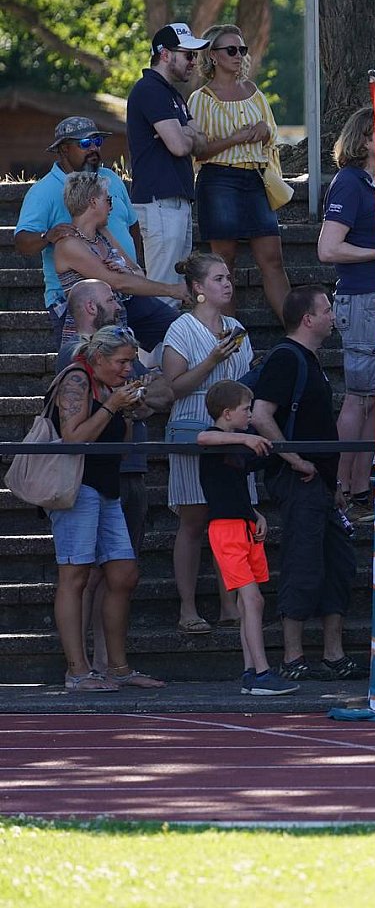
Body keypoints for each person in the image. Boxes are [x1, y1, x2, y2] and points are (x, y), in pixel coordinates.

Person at [56, 282, 173, 679]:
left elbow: (120, 447)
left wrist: (127, 410)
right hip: (78, 486)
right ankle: (78, 670)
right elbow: (74, 439)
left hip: (107, 484)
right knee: (76, 576)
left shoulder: (112, 385)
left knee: (124, 573)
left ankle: (118, 668)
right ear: (100, 357)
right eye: (122, 362)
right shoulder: (76, 378)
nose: (128, 369)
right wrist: (111, 405)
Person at [251, 286, 362, 682]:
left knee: (338, 563)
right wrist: (293, 457)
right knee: (302, 562)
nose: (333, 315)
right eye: (327, 309)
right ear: (307, 319)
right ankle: (293, 656)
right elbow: (261, 414)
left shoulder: (308, 359)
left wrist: (334, 483)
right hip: (300, 479)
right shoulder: (286, 357)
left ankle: (333, 654)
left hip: (320, 482)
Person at [158, 253, 253, 634]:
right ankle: (187, 607)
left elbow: (246, 381)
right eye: (218, 278)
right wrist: (212, 360)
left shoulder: (237, 327)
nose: (227, 284)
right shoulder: (181, 328)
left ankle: (230, 604)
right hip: (193, 425)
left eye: (228, 277)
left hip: (232, 432)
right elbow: (173, 387)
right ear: (198, 288)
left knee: (229, 517)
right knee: (194, 519)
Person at [196, 380, 298, 696]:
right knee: (252, 599)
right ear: (228, 413)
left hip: (242, 525)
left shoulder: (236, 448)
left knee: (251, 601)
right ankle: (262, 672)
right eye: (245, 410)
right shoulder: (216, 441)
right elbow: (202, 436)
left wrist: (255, 515)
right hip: (226, 530)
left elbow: (234, 490)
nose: (250, 415)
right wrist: (245, 437)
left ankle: (251, 670)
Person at [188, 22, 290, 322]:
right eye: (231, 50)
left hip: (256, 178)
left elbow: (272, 136)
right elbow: (199, 150)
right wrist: (236, 138)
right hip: (219, 179)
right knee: (224, 265)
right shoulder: (201, 99)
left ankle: (297, 333)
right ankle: (230, 339)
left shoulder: (254, 92)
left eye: (242, 50)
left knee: (273, 259)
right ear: (213, 56)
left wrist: (263, 131)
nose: (239, 56)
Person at [13, 117, 141, 348]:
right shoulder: (44, 191)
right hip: (77, 301)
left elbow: (133, 225)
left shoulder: (111, 178)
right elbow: (22, 241)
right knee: (86, 364)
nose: (94, 149)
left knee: (169, 328)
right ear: (63, 149)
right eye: (85, 144)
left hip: (127, 288)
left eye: (97, 141)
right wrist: (46, 237)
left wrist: (137, 266)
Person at [318, 108, 375, 523]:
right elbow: (327, 249)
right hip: (361, 301)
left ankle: (362, 489)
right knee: (359, 397)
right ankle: (340, 488)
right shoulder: (350, 182)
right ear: (366, 139)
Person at [50, 171, 185, 349]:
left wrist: (126, 271)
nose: (111, 207)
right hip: (93, 332)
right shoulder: (69, 245)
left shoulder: (102, 234)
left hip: (119, 314)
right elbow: (118, 283)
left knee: (184, 329)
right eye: (108, 201)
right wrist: (172, 290)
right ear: (92, 202)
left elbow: (137, 272)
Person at [127, 22, 213, 300]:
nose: (193, 62)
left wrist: (184, 132)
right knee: (165, 295)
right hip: (160, 204)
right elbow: (179, 146)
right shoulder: (149, 89)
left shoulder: (172, 93)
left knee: (176, 294)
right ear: (165, 54)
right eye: (188, 55)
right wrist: (185, 132)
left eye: (195, 56)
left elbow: (202, 142)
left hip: (175, 204)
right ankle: (150, 347)